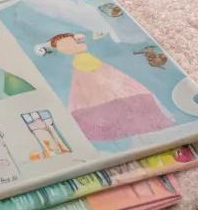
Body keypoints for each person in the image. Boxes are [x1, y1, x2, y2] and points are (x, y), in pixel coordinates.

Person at [37, 31, 173, 142]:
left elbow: (82, 41)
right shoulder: (79, 61)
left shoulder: (83, 54)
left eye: (70, 43)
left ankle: (139, 122)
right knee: (103, 96)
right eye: (64, 47)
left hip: (100, 72)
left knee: (120, 91)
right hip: (91, 75)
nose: (70, 46)